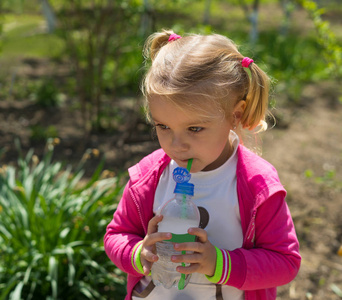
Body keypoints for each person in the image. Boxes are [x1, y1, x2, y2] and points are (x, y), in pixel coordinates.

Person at [104, 30, 301, 300]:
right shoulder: (150, 176)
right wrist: (140, 254)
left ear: (236, 115)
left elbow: (285, 262)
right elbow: (118, 234)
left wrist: (219, 264)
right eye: (163, 126)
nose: (176, 145)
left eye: (194, 128)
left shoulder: (257, 185)